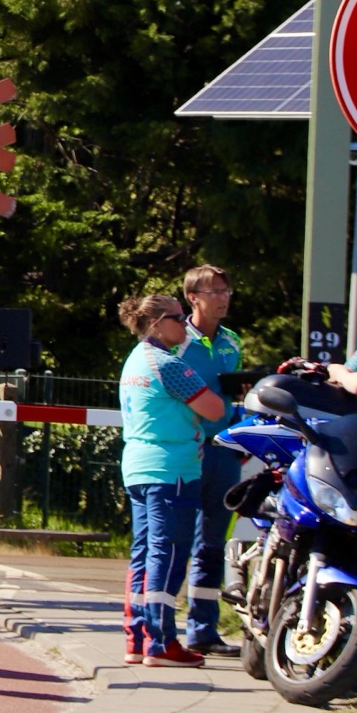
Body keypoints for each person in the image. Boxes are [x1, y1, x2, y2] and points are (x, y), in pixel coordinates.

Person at [117, 294, 226, 668]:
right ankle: (161, 642)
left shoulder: (135, 360)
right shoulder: (168, 364)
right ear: (156, 324)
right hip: (171, 468)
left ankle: (136, 636)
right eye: (179, 319)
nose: (185, 325)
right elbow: (214, 410)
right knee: (169, 551)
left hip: (138, 465)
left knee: (144, 550)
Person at [178, 266, 242, 656]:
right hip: (186, 452)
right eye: (214, 290)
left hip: (223, 452)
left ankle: (203, 630)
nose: (223, 297)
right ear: (193, 298)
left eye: (227, 289)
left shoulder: (232, 342)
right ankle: (160, 631)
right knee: (176, 540)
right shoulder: (176, 341)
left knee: (213, 543)